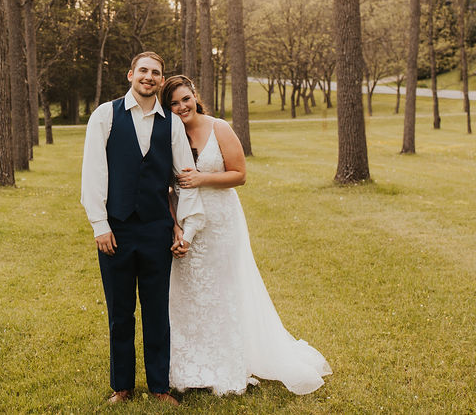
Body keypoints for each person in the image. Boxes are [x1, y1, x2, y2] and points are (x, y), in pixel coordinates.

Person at [162, 75, 332, 396]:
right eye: (173, 103)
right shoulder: (171, 135)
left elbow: (239, 175)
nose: (181, 106)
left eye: (185, 98)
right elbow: (167, 184)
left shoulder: (219, 128)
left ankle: (230, 361)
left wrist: (202, 178)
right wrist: (176, 225)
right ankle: (194, 364)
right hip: (186, 221)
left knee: (225, 287)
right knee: (190, 292)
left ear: (195, 96)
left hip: (222, 221)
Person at [80, 53, 204, 406]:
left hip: (155, 230)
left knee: (156, 312)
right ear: (131, 74)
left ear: (161, 81)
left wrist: (186, 228)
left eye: (156, 73)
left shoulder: (173, 124)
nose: (149, 77)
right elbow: (93, 172)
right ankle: (122, 386)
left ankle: (159, 387)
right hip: (115, 230)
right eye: (144, 71)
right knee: (120, 313)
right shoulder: (105, 115)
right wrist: (99, 225)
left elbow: (185, 179)